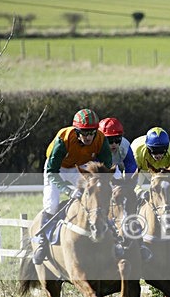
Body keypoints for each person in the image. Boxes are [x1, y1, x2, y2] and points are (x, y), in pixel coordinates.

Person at [32, 108, 113, 265]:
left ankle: (111, 232)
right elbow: (52, 172)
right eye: (84, 132)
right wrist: (68, 191)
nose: (89, 137)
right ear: (77, 131)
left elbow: (106, 167)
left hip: (79, 167)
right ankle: (41, 242)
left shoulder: (101, 139)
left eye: (92, 132)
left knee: (96, 196)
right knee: (52, 204)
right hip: (56, 169)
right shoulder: (64, 139)